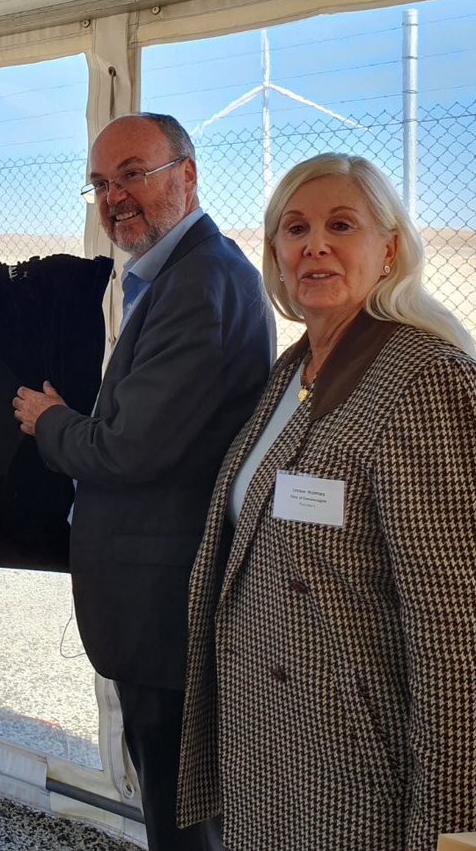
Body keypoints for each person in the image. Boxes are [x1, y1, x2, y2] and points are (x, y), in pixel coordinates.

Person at [178, 153, 476, 851]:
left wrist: (453, 832)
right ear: (276, 258)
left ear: (390, 249)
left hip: (358, 777)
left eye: (342, 224)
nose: (315, 244)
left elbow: (456, 635)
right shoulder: (293, 371)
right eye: (296, 228)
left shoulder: (424, 378)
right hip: (273, 754)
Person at [12, 113, 273, 851]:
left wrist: (50, 419)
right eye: (100, 182)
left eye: (133, 173)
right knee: (176, 797)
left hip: (167, 606)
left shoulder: (200, 282)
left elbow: (127, 449)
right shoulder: (180, 276)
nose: (113, 195)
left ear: (186, 176)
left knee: (182, 808)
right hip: (163, 599)